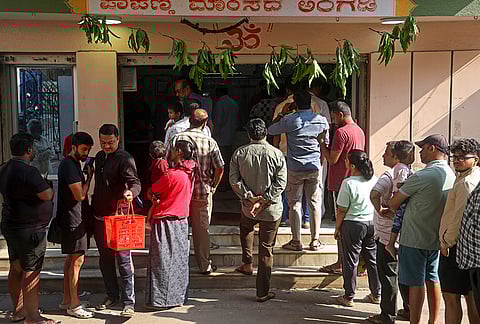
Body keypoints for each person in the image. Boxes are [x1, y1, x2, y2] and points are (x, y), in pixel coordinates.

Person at [389, 134, 455, 324]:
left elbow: (394, 203)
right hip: (436, 238)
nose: (420, 152)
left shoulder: (423, 175)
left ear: (433, 148)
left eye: (423, 148)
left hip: (414, 237)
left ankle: (415, 321)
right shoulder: (450, 174)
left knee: (415, 283)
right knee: (432, 279)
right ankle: (432, 321)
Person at [230, 119, 287, 302]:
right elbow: (281, 182)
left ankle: (247, 262)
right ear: (266, 133)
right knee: (266, 249)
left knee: (246, 228)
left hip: (249, 207)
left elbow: (234, 179)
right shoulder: (276, 154)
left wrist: (250, 197)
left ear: (249, 134)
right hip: (271, 210)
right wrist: (265, 199)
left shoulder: (240, 153)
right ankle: (262, 291)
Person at [0, 133, 55, 324]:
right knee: (31, 271)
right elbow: (46, 195)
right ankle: (33, 317)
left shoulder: (4, 168)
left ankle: (18, 310)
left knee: (16, 267)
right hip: (30, 230)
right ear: (29, 150)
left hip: (11, 226)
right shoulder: (28, 171)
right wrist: (48, 185)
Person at [268, 89, 329, 251]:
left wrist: (282, 114)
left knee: (294, 204)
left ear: (294, 102)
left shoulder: (289, 120)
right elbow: (325, 144)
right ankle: (315, 240)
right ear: (310, 103)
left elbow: (271, 130)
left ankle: (296, 241)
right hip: (314, 166)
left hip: (294, 167)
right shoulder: (321, 121)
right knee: (314, 203)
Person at [92, 124, 141, 317]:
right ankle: (112, 294)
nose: (106, 146)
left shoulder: (124, 158)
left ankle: (129, 302)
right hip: (99, 216)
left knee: (123, 260)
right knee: (105, 259)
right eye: (103, 142)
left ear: (118, 140)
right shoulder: (99, 157)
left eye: (110, 142)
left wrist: (130, 192)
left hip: (118, 217)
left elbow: (135, 182)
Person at [171, 109, 225, 274]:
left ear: (189, 120)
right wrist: (214, 186)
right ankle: (204, 265)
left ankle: (177, 265)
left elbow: (167, 162)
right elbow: (220, 168)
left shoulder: (176, 139)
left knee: (178, 228)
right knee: (202, 231)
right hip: (202, 192)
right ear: (205, 122)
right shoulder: (210, 142)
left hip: (178, 193)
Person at [145, 140, 197, 309]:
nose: (171, 152)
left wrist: (151, 196)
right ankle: (178, 296)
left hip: (165, 220)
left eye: (174, 150)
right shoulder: (190, 172)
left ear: (179, 153)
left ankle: (161, 300)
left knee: (162, 261)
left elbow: (153, 189)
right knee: (179, 261)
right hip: (181, 220)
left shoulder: (172, 175)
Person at [318, 100, 365, 274]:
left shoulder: (341, 132)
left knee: (342, 226)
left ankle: (340, 263)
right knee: (353, 224)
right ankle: (353, 263)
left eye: (333, 116)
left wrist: (322, 143)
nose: (332, 120)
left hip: (341, 183)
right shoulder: (359, 131)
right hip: (356, 182)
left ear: (339, 114)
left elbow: (332, 159)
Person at [438, 138, 480, 324]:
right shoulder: (466, 177)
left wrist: (446, 242)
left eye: (462, 157)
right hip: (464, 248)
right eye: (455, 157)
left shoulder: (466, 183)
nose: (457, 160)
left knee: (451, 297)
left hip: (456, 246)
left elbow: (459, 218)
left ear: (476, 159)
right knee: (471, 297)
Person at [367, 141, 410, 324]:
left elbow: (374, 194)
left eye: (386, 153)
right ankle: (409, 309)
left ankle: (387, 315)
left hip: (386, 234)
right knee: (406, 274)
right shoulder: (409, 174)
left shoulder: (388, 175)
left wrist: (379, 210)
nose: (383, 156)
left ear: (395, 157)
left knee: (388, 274)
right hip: (405, 233)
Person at [334, 150, 381, 307]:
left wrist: (337, 228)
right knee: (372, 259)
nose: (345, 162)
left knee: (350, 261)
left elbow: (341, 210)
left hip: (353, 224)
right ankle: (377, 293)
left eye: (347, 160)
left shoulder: (348, 183)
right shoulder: (374, 180)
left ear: (352, 165)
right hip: (372, 222)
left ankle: (349, 296)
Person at [57, 132, 95, 319]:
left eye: (88, 150)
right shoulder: (70, 166)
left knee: (71, 260)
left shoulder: (71, 165)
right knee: (77, 261)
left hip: (73, 218)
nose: (86, 153)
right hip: (73, 219)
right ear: (74, 147)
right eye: (83, 149)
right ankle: (74, 304)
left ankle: (67, 299)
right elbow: (79, 195)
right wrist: (89, 178)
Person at [384, 141, 415, 260]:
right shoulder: (402, 168)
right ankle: (391, 243)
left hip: (401, 198)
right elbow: (401, 185)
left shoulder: (403, 167)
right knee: (398, 222)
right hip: (401, 199)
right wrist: (412, 182)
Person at [213, 85, 239, 191]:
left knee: (220, 162)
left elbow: (218, 121)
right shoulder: (234, 103)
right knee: (229, 161)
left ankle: (222, 184)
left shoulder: (220, 104)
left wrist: (215, 134)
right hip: (231, 135)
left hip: (221, 137)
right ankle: (229, 183)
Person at [146, 140, 169, 225]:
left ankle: (149, 221)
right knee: (156, 206)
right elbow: (166, 178)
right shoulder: (162, 163)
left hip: (154, 189)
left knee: (154, 205)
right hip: (160, 190)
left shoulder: (153, 162)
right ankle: (149, 221)